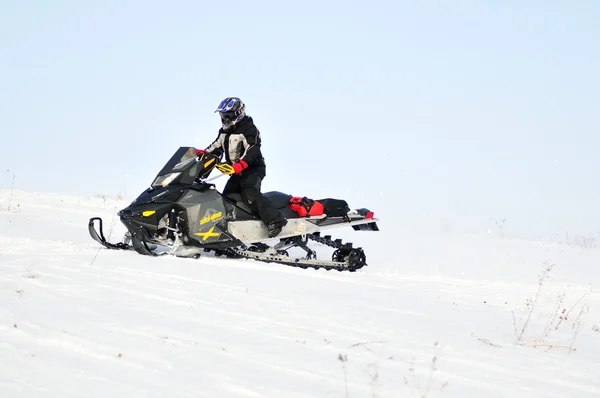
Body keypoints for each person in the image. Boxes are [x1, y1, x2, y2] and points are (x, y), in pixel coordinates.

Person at [198, 97, 288, 238]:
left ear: (238, 112)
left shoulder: (249, 129)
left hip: (253, 168)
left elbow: (252, 149)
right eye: (223, 116)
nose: (225, 119)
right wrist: (199, 154)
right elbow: (215, 146)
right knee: (227, 198)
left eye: (228, 115)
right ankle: (228, 230)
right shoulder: (224, 131)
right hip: (237, 171)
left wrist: (240, 165)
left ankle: (276, 221)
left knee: (249, 192)